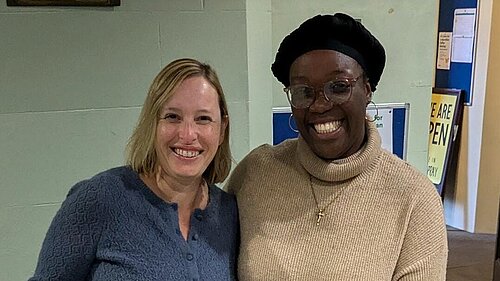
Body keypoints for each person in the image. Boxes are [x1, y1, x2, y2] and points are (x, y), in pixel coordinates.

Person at [226, 13, 447, 280]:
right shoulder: (256, 173)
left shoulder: (414, 199)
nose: (320, 105)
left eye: (339, 87)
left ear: (367, 90)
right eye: (303, 91)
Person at [29, 58, 239, 281]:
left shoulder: (230, 214)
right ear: (153, 123)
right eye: (172, 117)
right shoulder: (100, 199)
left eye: (203, 119)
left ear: (222, 130)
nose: (187, 135)